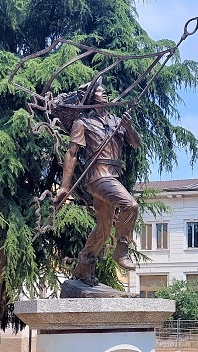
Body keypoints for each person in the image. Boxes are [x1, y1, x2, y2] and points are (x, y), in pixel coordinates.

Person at [54, 79, 141, 286]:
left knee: (103, 229)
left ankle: (84, 264)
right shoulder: (82, 123)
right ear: (90, 97)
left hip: (113, 175)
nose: (105, 93)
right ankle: (121, 250)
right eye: (100, 91)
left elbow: (136, 144)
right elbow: (72, 153)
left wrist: (128, 128)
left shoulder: (117, 122)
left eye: (104, 90)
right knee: (130, 205)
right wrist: (65, 186)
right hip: (98, 176)